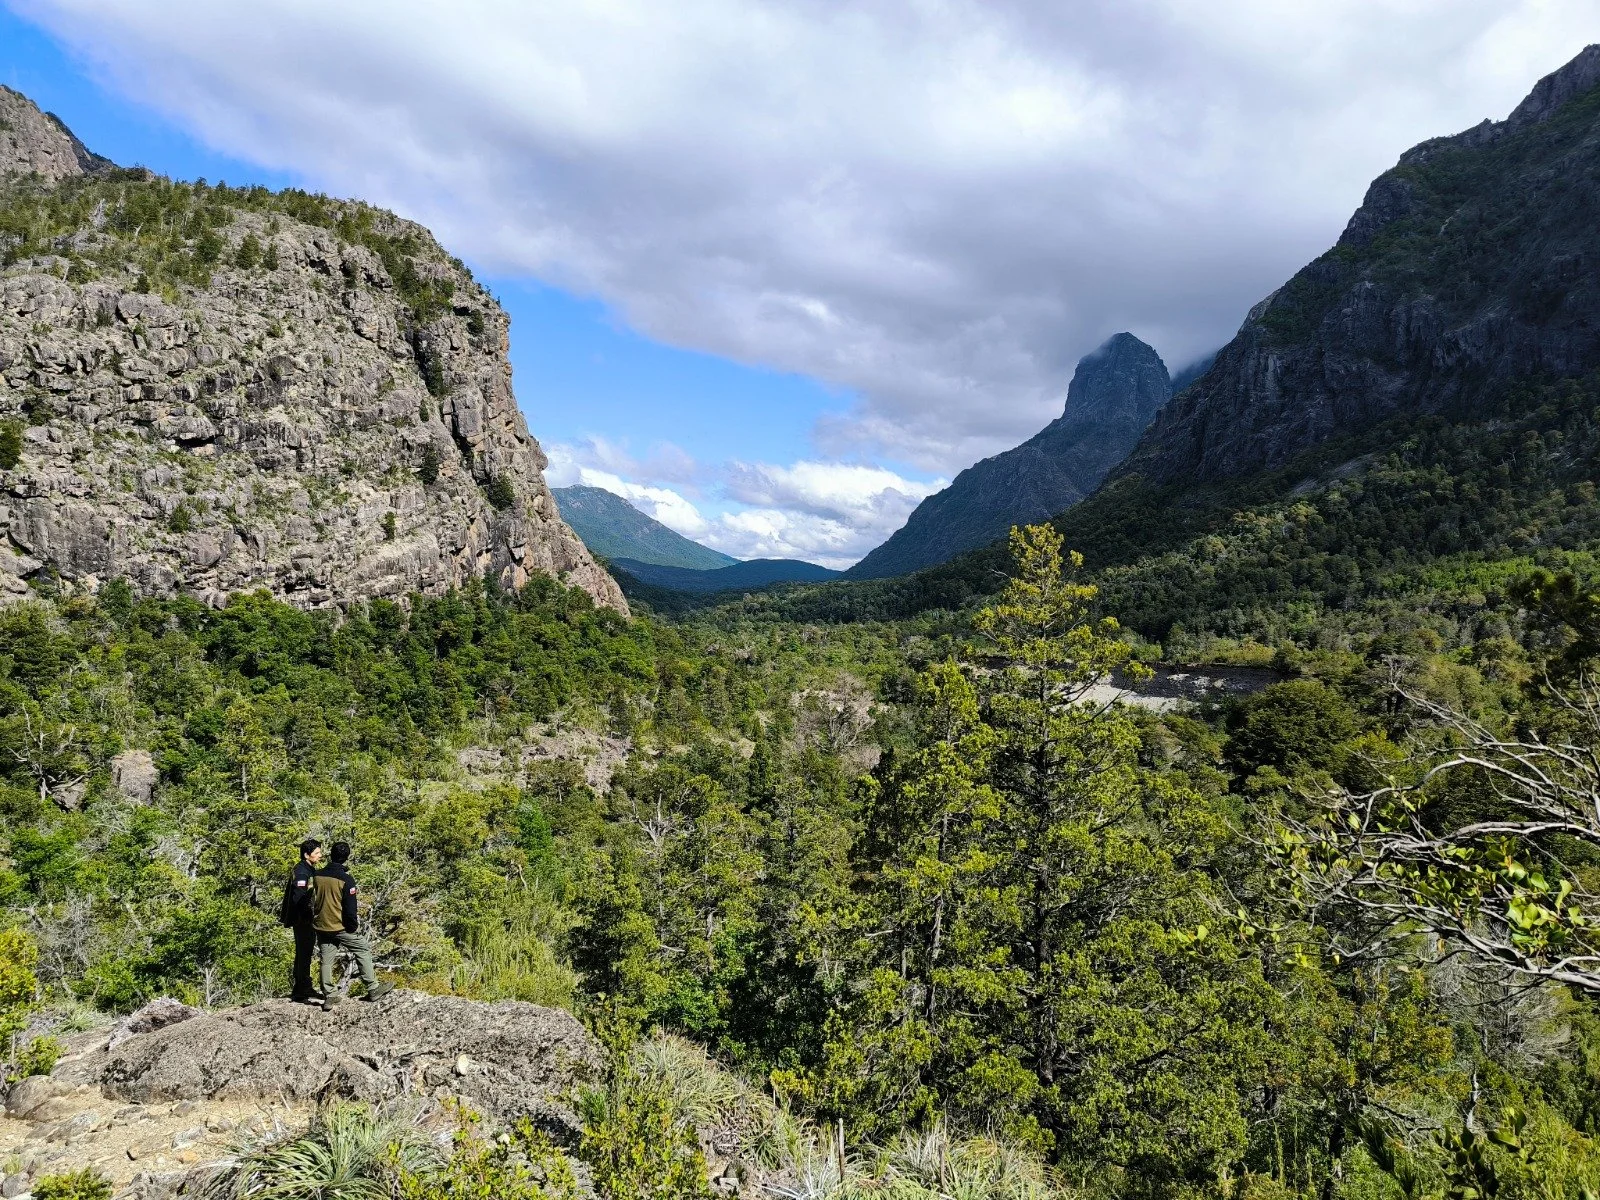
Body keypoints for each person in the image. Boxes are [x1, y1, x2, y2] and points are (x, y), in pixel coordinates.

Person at [310, 841, 394, 1010]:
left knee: (326, 960)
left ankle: (330, 995)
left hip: (321, 925)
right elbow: (350, 908)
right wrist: (352, 926)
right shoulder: (346, 880)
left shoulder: (318, 875)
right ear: (346, 858)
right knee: (362, 948)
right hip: (339, 926)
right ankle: (373, 988)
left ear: (330, 855)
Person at [279, 838, 323, 1004]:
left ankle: (303, 986)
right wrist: (307, 916)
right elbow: (299, 897)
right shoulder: (302, 871)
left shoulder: (308, 869)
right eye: (317, 853)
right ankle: (301, 988)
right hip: (302, 919)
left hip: (304, 918)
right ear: (307, 854)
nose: (320, 855)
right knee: (304, 951)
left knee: (305, 951)